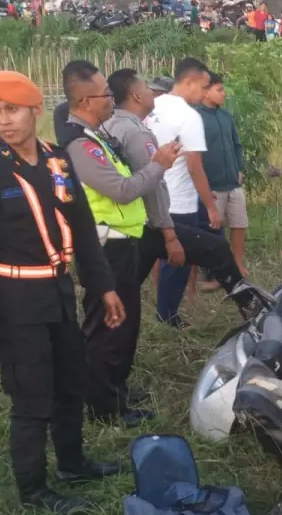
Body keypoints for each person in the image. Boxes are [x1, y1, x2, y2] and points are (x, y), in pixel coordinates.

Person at [0, 70, 124, 515]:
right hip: (16, 298)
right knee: (32, 396)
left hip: (59, 290)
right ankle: (33, 490)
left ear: (35, 110)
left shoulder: (57, 161)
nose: (3, 121)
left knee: (70, 382)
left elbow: (82, 228)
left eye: (12, 110)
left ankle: (72, 463)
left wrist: (103, 286)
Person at [101, 68, 258, 410]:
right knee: (210, 247)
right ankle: (108, 396)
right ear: (136, 95)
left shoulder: (121, 125)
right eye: (145, 86)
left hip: (135, 228)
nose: (152, 91)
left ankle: (111, 388)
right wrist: (169, 231)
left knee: (123, 308)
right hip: (143, 225)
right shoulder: (133, 130)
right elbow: (152, 182)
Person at [56, 61, 177, 426]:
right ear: (86, 100)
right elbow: (122, 190)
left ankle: (115, 391)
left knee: (124, 326)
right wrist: (158, 165)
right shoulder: (80, 145)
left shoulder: (96, 138)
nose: (112, 99)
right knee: (108, 328)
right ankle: (104, 408)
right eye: (106, 94)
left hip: (122, 245)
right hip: (106, 248)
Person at [145, 58, 218, 328]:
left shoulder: (153, 106)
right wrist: (210, 206)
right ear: (189, 82)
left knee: (156, 254)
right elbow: (195, 166)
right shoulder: (189, 116)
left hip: (150, 193)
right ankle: (168, 316)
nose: (205, 92)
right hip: (179, 200)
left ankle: (161, 310)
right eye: (203, 86)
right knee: (178, 259)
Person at [195, 72, 248, 277]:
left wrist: (240, 168)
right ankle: (211, 270)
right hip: (212, 185)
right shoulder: (196, 117)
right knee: (212, 230)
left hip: (233, 182)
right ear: (206, 92)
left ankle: (237, 264)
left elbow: (237, 145)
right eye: (219, 90)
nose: (223, 94)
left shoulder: (226, 116)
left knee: (239, 224)